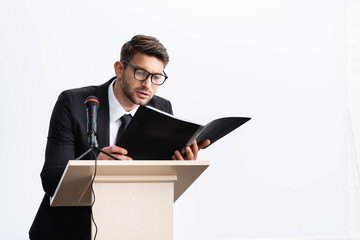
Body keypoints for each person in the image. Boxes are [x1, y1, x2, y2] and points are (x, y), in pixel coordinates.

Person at [29, 34, 210, 240]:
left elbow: (155, 184)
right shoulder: (73, 103)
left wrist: (180, 166)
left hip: (128, 230)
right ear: (120, 69)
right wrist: (95, 164)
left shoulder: (162, 109)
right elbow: (51, 179)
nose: (148, 85)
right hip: (67, 232)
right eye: (141, 73)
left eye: (156, 77)